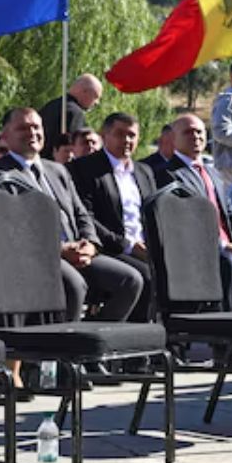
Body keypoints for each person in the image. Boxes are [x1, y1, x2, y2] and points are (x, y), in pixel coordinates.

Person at [0, 108, 144, 324]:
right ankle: (63, 350)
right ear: (5, 136)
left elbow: (80, 213)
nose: (32, 133)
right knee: (74, 286)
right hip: (40, 257)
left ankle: (91, 346)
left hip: (79, 251)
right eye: (23, 128)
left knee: (130, 280)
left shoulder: (57, 171)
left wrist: (91, 245)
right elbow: (12, 225)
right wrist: (59, 249)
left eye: (36, 127)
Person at [157, 113, 232, 310]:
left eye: (200, 132)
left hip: (229, 246)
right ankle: (222, 332)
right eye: (188, 132)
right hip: (196, 249)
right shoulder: (168, 174)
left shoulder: (212, 172)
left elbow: (229, 211)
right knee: (227, 262)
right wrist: (225, 246)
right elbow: (186, 220)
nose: (196, 136)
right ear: (173, 139)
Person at [68, 112, 157, 322]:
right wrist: (127, 245)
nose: (126, 140)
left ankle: (163, 340)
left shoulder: (144, 172)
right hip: (108, 248)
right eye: (120, 134)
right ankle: (121, 339)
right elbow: (86, 216)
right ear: (104, 135)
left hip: (144, 248)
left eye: (132, 135)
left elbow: (153, 214)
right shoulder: (86, 168)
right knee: (145, 276)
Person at [40, 73, 103, 159]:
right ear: (84, 91)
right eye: (96, 97)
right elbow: (73, 147)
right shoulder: (75, 113)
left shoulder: (50, 106)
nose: (96, 103)